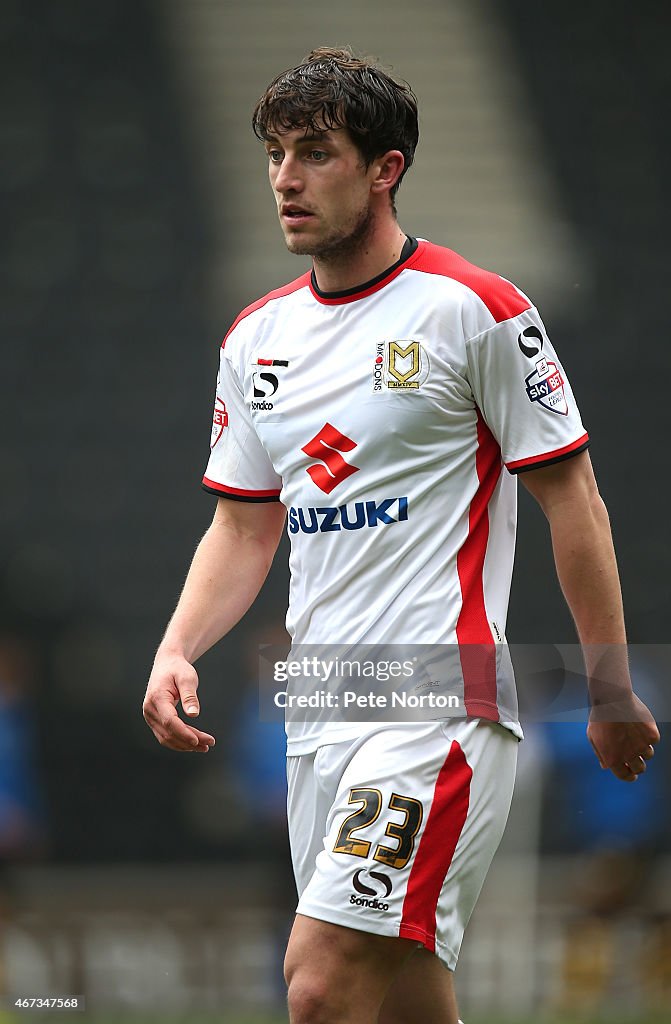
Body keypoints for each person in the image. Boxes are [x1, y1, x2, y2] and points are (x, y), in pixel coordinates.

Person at [142, 47, 660, 1024]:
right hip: (318, 708)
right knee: (400, 1000)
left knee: (319, 984)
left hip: (435, 704)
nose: (285, 179)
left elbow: (572, 498)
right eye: (273, 154)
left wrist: (606, 683)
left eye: (315, 153)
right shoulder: (254, 338)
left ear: (385, 168)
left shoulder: (475, 310)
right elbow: (242, 527)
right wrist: (177, 645)